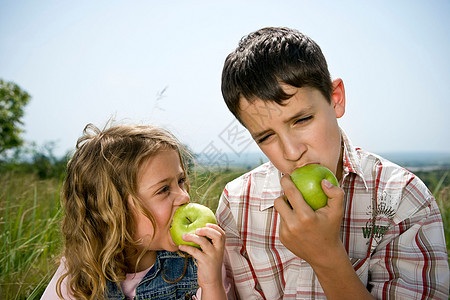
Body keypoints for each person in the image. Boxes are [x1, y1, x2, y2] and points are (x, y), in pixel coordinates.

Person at [216, 26, 449, 299]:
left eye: (302, 120)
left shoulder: (403, 199)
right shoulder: (237, 203)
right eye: (266, 136)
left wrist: (326, 255)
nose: (291, 152)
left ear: (335, 98)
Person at [41, 122, 230, 300]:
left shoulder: (200, 263)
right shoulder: (79, 274)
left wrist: (211, 283)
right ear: (114, 210)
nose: (184, 197)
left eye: (180, 181)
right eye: (163, 190)